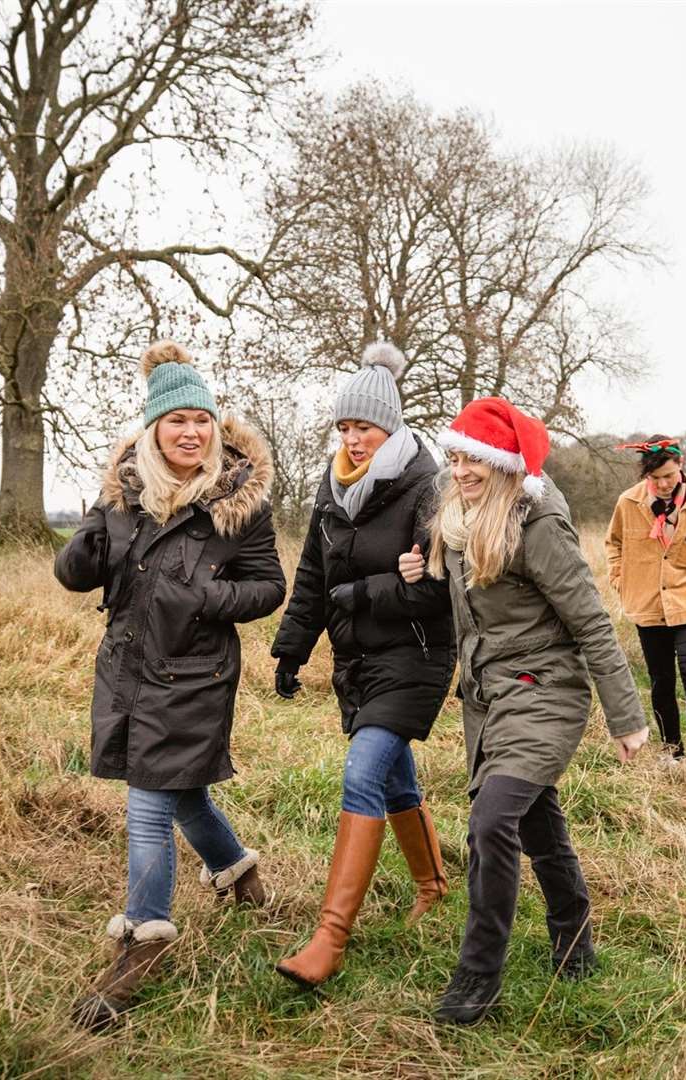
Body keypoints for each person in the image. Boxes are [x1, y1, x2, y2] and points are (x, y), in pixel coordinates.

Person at [55, 341, 286, 1031]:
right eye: (176, 420)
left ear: (216, 427)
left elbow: (268, 587)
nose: (190, 432)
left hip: (193, 674)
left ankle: (140, 943)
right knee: (181, 792)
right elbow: (76, 576)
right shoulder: (123, 496)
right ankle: (243, 881)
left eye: (201, 420)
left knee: (150, 805)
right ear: (153, 429)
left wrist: (204, 599)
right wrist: (84, 545)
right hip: (126, 670)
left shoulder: (238, 504)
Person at [404, 396, 648, 1026]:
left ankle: (478, 975)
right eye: (454, 458)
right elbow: (477, 608)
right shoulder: (458, 523)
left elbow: (591, 622)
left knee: (490, 822)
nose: (459, 471)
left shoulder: (537, 526)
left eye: (473, 461)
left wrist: (626, 716)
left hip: (545, 689)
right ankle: (574, 937)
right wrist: (423, 577)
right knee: (534, 818)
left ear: (505, 466)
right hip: (488, 699)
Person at [270, 343, 456, 989]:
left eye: (364, 427)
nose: (352, 439)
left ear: (392, 427)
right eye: (344, 427)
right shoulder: (332, 484)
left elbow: (440, 587)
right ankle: (432, 886)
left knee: (363, 772)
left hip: (416, 652)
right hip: (357, 659)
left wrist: (362, 594)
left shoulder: (428, 485)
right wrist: (293, 646)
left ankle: (329, 939)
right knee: (395, 779)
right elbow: (315, 574)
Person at [603, 438, 686, 786]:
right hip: (647, 604)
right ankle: (671, 750)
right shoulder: (628, 502)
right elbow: (613, 544)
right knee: (661, 679)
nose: (662, 484)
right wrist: (620, 578)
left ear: (680, 466)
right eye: (655, 477)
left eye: (668, 475)